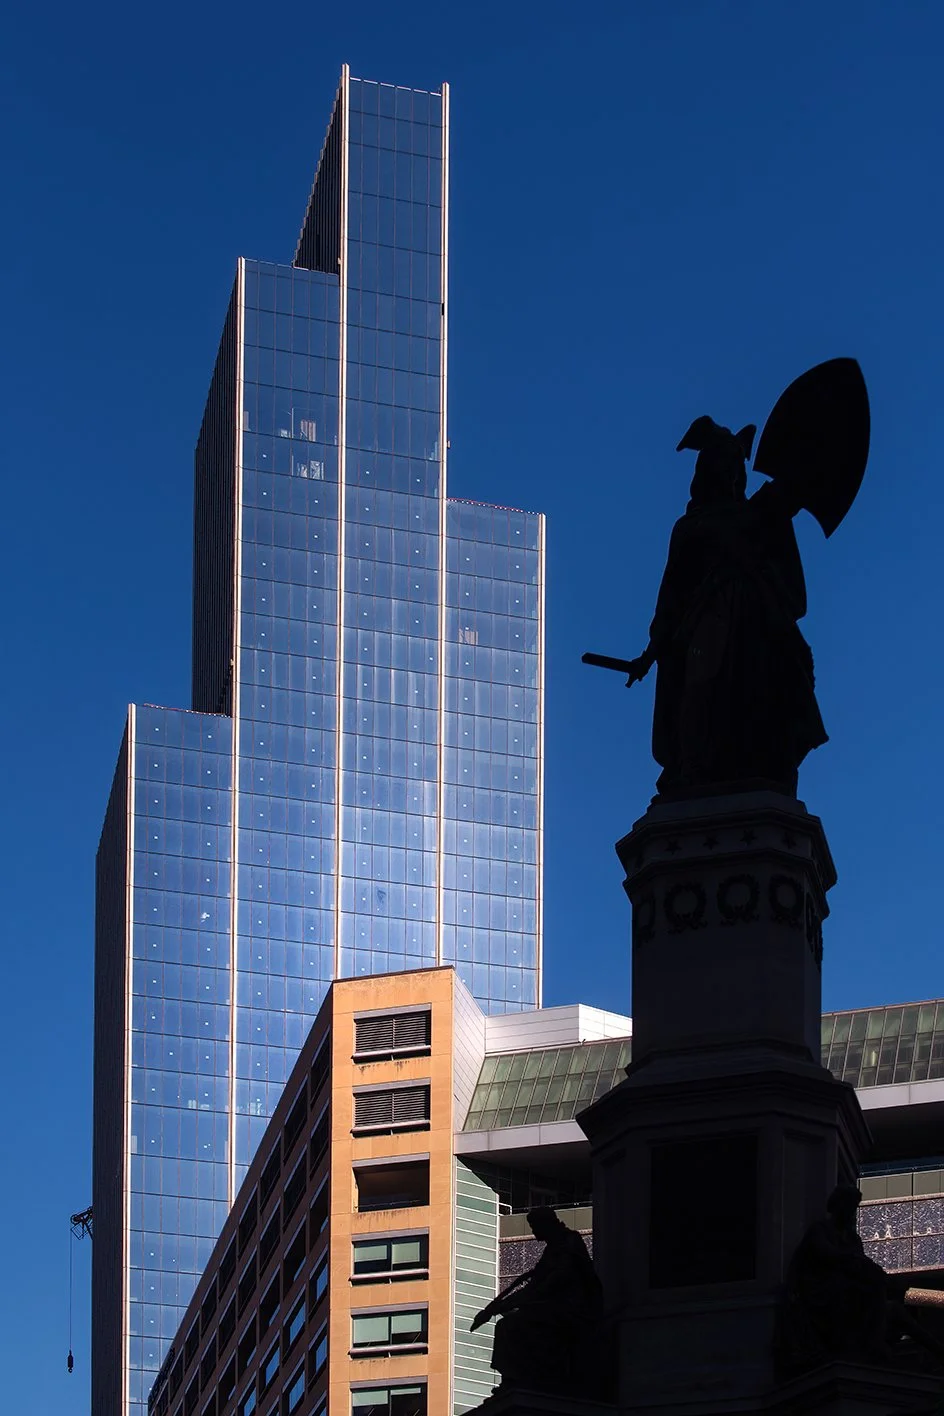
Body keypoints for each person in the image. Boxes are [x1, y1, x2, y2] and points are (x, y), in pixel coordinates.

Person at [624, 417, 826, 795]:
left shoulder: (757, 512)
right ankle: (693, 771)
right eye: (721, 463)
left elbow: (789, 493)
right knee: (700, 691)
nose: (729, 472)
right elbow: (670, 595)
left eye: (734, 465)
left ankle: (759, 769)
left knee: (759, 695)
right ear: (706, 471)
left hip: (755, 621)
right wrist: (650, 653)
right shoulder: (689, 527)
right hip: (707, 623)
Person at [470, 1207, 603, 1393]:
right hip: (553, 1305)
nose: (533, 1231)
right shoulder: (552, 1249)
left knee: (509, 1325)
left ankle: (515, 1377)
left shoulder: (569, 1241)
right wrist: (501, 1305)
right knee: (512, 1320)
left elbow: (552, 1282)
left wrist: (500, 1307)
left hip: (571, 1308)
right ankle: (516, 1377)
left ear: (547, 1224)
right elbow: (534, 1284)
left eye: (534, 1226)